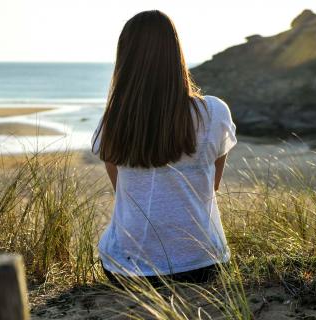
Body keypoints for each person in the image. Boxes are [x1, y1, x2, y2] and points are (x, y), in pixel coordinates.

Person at [91, 10, 237, 287]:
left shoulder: (113, 122)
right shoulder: (215, 112)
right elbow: (212, 186)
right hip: (201, 264)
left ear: (125, 59)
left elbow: (125, 191)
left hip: (126, 268)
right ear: (175, 53)